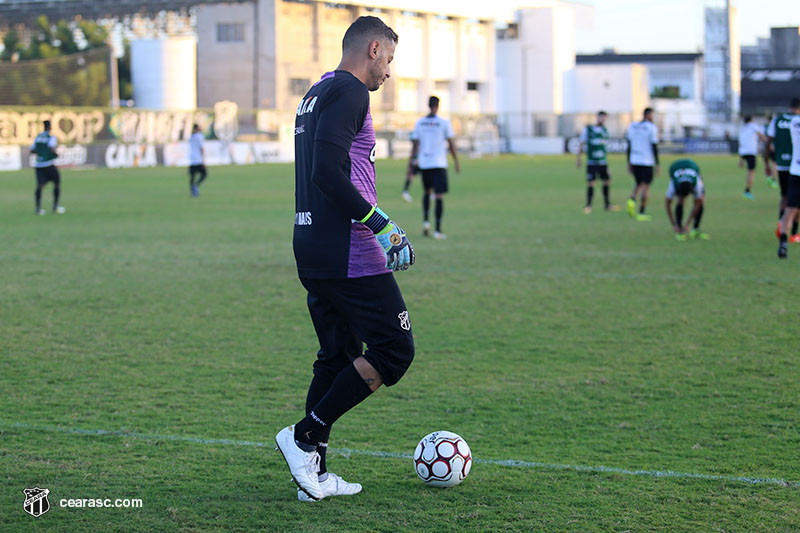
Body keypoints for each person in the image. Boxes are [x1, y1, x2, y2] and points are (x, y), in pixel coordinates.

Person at [276, 16, 415, 502]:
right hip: (347, 250)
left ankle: (311, 475)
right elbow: (327, 175)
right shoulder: (353, 92)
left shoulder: (316, 92)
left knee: (337, 357)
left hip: (313, 244)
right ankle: (304, 435)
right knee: (395, 350)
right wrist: (381, 224)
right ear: (373, 48)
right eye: (390, 60)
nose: (389, 73)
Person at [409, 96, 460, 239]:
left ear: (428, 105)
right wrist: (456, 162)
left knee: (427, 192)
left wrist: (412, 162)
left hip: (425, 163)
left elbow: (415, 145)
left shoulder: (420, 123)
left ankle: (426, 222)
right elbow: (451, 143)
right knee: (438, 196)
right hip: (438, 163)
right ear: (438, 106)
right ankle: (437, 230)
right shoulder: (444, 122)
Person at [765, 99, 800, 241]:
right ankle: (794, 233)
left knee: (785, 196)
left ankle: (781, 224)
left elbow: (768, 141)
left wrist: (767, 162)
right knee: (797, 202)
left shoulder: (777, 120)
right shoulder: (797, 121)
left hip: (782, 164)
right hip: (796, 166)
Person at [577, 110, 617, 213]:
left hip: (603, 161)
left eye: (604, 118)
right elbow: (581, 143)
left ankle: (607, 204)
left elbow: (604, 146)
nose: (603, 119)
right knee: (591, 183)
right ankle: (588, 205)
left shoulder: (604, 130)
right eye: (601, 117)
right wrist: (579, 158)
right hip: (592, 161)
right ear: (597, 117)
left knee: (607, 181)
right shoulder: (588, 129)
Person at [625, 108, 659, 221]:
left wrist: (628, 161)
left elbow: (628, 144)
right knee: (646, 187)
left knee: (638, 183)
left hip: (634, 159)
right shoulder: (651, 127)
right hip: (646, 161)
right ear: (648, 115)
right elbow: (654, 146)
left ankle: (632, 198)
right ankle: (642, 212)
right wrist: (657, 163)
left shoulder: (632, 126)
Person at [665, 159, 708, 241]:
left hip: (693, 166)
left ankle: (695, 229)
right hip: (675, 167)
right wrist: (674, 224)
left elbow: (698, 203)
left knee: (701, 200)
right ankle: (679, 227)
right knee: (680, 201)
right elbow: (667, 203)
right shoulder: (673, 185)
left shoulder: (697, 184)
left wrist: (688, 223)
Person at [30, 120, 65, 215]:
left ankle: (38, 209)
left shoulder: (38, 137)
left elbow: (32, 150)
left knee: (39, 186)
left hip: (39, 165)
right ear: (50, 127)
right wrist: (56, 155)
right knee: (57, 183)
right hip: (48, 164)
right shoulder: (51, 137)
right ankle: (56, 206)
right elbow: (52, 148)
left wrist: (41, 153)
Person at [778, 111, 800, 259]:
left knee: (790, 209)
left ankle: (783, 244)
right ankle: (793, 234)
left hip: (795, 171)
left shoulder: (794, 122)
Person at [738, 115, 767, 200]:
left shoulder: (742, 129)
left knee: (749, 172)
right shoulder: (753, 126)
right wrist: (768, 142)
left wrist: (740, 159)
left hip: (743, 152)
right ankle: (747, 191)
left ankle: (747, 191)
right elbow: (761, 135)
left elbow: (740, 143)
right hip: (751, 152)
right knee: (751, 172)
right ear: (751, 120)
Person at [188, 124, 207, 197]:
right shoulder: (199, 136)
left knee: (192, 176)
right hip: (198, 159)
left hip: (192, 160)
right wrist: (203, 159)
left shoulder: (191, 137)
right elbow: (201, 148)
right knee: (204, 174)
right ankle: (196, 185)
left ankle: (192, 191)